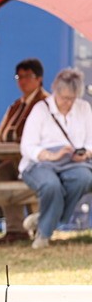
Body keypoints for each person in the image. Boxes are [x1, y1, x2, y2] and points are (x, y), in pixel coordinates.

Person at [19, 67, 92, 249]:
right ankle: (43, 235)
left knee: (84, 178)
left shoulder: (84, 108)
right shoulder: (40, 110)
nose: (67, 103)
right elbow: (27, 146)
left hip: (73, 163)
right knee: (51, 185)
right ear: (55, 91)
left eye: (71, 99)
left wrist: (85, 153)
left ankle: (44, 220)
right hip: (40, 163)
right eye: (64, 98)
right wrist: (51, 155)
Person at [0, 58, 48, 244]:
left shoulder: (45, 104)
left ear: (39, 79)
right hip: (5, 156)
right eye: (19, 76)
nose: (22, 81)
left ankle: (16, 229)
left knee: (2, 173)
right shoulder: (15, 106)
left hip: (30, 162)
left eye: (27, 76)